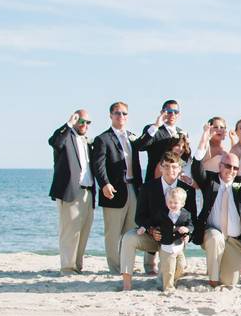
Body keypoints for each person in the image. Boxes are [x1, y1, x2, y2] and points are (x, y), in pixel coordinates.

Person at [119, 152, 197, 291]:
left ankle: (167, 275)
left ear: (180, 169)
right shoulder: (147, 187)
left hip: (174, 240)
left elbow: (192, 220)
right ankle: (126, 284)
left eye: (174, 167)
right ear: (160, 168)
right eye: (166, 166)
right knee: (128, 238)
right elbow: (139, 217)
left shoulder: (188, 190)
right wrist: (151, 230)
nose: (170, 170)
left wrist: (187, 235)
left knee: (173, 274)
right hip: (152, 237)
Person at [190, 149, 241, 289]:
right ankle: (212, 279)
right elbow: (196, 170)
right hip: (211, 234)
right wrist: (202, 145)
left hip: (234, 240)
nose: (231, 170)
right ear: (220, 166)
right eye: (228, 166)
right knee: (215, 237)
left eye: (235, 168)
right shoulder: (210, 180)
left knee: (229, 281)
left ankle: (224, 271)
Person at [91, 102, 147, 274]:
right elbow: (98, 165)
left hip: (134, 189)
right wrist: (104, 184)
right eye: (117, 113)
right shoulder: (103, 139)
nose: (120, 116)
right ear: (110, 115)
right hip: (113, 191)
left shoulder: (132, 138)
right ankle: (115, 267)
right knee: (113, 232)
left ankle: (127, 265)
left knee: (130, 231)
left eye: (124, 113)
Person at [48, 110, 96, 274]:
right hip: (70, 192)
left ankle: (77, 265)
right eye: (81, 121)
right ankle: (67, 267)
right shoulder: (66, 137)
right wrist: (68, 124)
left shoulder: (87, 142)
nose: (84, 125)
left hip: (88, 192)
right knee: (69, 231)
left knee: (83, 231)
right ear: (74, 120)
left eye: (87, 122)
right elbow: (55, 141)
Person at [144, 187, 193, 292]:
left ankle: (173, 280)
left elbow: (191, 225)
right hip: (167, 245)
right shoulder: (162, 213)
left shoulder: (186, 214)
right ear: (166, 202)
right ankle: (168, 287)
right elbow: (152, 222)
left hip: (179, 245)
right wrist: (146, 228)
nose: (172, 205)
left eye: (176, 203)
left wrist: (187, 230)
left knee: (181, 266)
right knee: (169, 269)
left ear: (182, 204)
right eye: (170, 202)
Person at [139, 100, 186, 183]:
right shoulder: (153, 129)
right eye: (169, 111)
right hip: (155, 180)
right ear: (162, 112)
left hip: (175, 181)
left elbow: (184, 157)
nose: (172, 114)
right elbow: (141, 147)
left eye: (176, 112)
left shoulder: (182, 133)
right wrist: (156, 126)